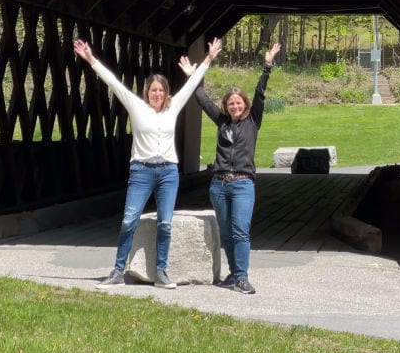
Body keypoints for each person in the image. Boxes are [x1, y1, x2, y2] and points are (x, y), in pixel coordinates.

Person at [74, 35, 222, 289]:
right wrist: (90, 59)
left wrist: (208, 58)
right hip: (141, 171)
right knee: (128, 220)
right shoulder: (136, 106)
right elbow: (113, 82)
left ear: (166, 93)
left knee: (165, 223)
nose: (157, 94)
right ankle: (118, 270)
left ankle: (162, 272)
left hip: (167, 173)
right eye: (153, 90)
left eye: (161, 90)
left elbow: (192, 83)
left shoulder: (173, 107)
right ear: (147, 92)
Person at [182, 42, 280, 295]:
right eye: (231, 104)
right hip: (219, 184)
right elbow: (202, 99)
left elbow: (260, 93)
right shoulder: (221, 121)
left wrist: (267, 65)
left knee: (240, 230)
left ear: (245, 105)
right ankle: (234, 275)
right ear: (226, 106)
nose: (235, 107)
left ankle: (242, 277)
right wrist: (196, 74)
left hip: (243, 184)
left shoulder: (253, 121)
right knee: (226, 233)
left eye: (239, 103)